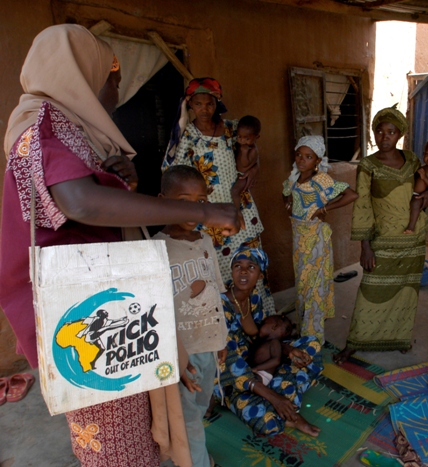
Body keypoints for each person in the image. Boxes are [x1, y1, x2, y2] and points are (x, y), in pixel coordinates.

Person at [0, 24, 239, 466]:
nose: (116, 85)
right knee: (114, 440)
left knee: (134, 424)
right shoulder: (39, 125)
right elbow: (78, 202)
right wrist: (200, 212)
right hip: (85, 314)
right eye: (110, 73)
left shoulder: (67, 128)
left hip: (106, 304)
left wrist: (117, 179)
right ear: (78, 73)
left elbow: (77, 196)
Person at [163, 78, 275, 316]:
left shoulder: (232, 129)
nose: (205, 109)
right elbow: (173, 172)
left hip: (241, 210)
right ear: (190, 105)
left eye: (210, 103)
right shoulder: (187, 137)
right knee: (221, 271)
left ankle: (259, 322)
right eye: (199, 104)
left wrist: (253, 170)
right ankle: (231, 331)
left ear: (217, 104)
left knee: (250, 265)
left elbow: (253, 151)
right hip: (210, 215)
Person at [334, 106, 428, 364]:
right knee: (370, 290)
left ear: (400, 134)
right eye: (379, 131)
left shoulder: (412, 160)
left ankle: (399, 338)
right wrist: (365, 247)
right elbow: (363, 204)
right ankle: (355, 341)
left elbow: (423, 188)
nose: (384, 136)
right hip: (383, 239)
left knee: (405, 291)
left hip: (412, 238)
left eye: (391, 131)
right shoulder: (367, 165)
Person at [153, 166, 229, 467]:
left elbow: (215, 292)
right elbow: (154, 311)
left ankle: (190, 455)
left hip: (208, 345)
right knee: (187, 419)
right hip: (181, 353)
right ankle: (197, 462)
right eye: (183, 200)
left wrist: (221, 337)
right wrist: (173, 357)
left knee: (198, 409)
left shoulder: (205, 241)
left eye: (200, 202)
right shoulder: (155, 248)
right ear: (161, 200)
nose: (193, 209)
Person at [217, 247, 323, 437]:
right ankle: (285, 405)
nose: (243, 272)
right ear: (231, 271)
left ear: (259, 275)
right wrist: (274, 398)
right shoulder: (219, 305)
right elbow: (226, 360)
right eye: (237, 266)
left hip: (260, 364)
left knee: (312, 345)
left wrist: (287, 349)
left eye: (251, 267)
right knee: (268, 424)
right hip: (233, 380)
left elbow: (265, 336)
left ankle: (282, 401)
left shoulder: (254, 297)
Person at [282, 135, 358, 343]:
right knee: (302, 283)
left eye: (308, 156)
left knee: (313, 284)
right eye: (299, 154)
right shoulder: (294, 177)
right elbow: (286, 192)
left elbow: (351, 195)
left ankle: (313, 336)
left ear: (317, 161)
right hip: (298, 239)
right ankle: (305, 327)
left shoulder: (321, 180)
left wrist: (324, 208)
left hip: (315, 238)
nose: (301, 160)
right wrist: (288, 200)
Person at [247, 315, 294, 386]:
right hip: (258, 372)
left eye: (264, 323)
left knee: (246, 380)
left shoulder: (275, 342)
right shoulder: (265, 342)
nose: (261, 325)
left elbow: (276, 360)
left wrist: (257, 368)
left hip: (262, 375)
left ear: (274, 327)